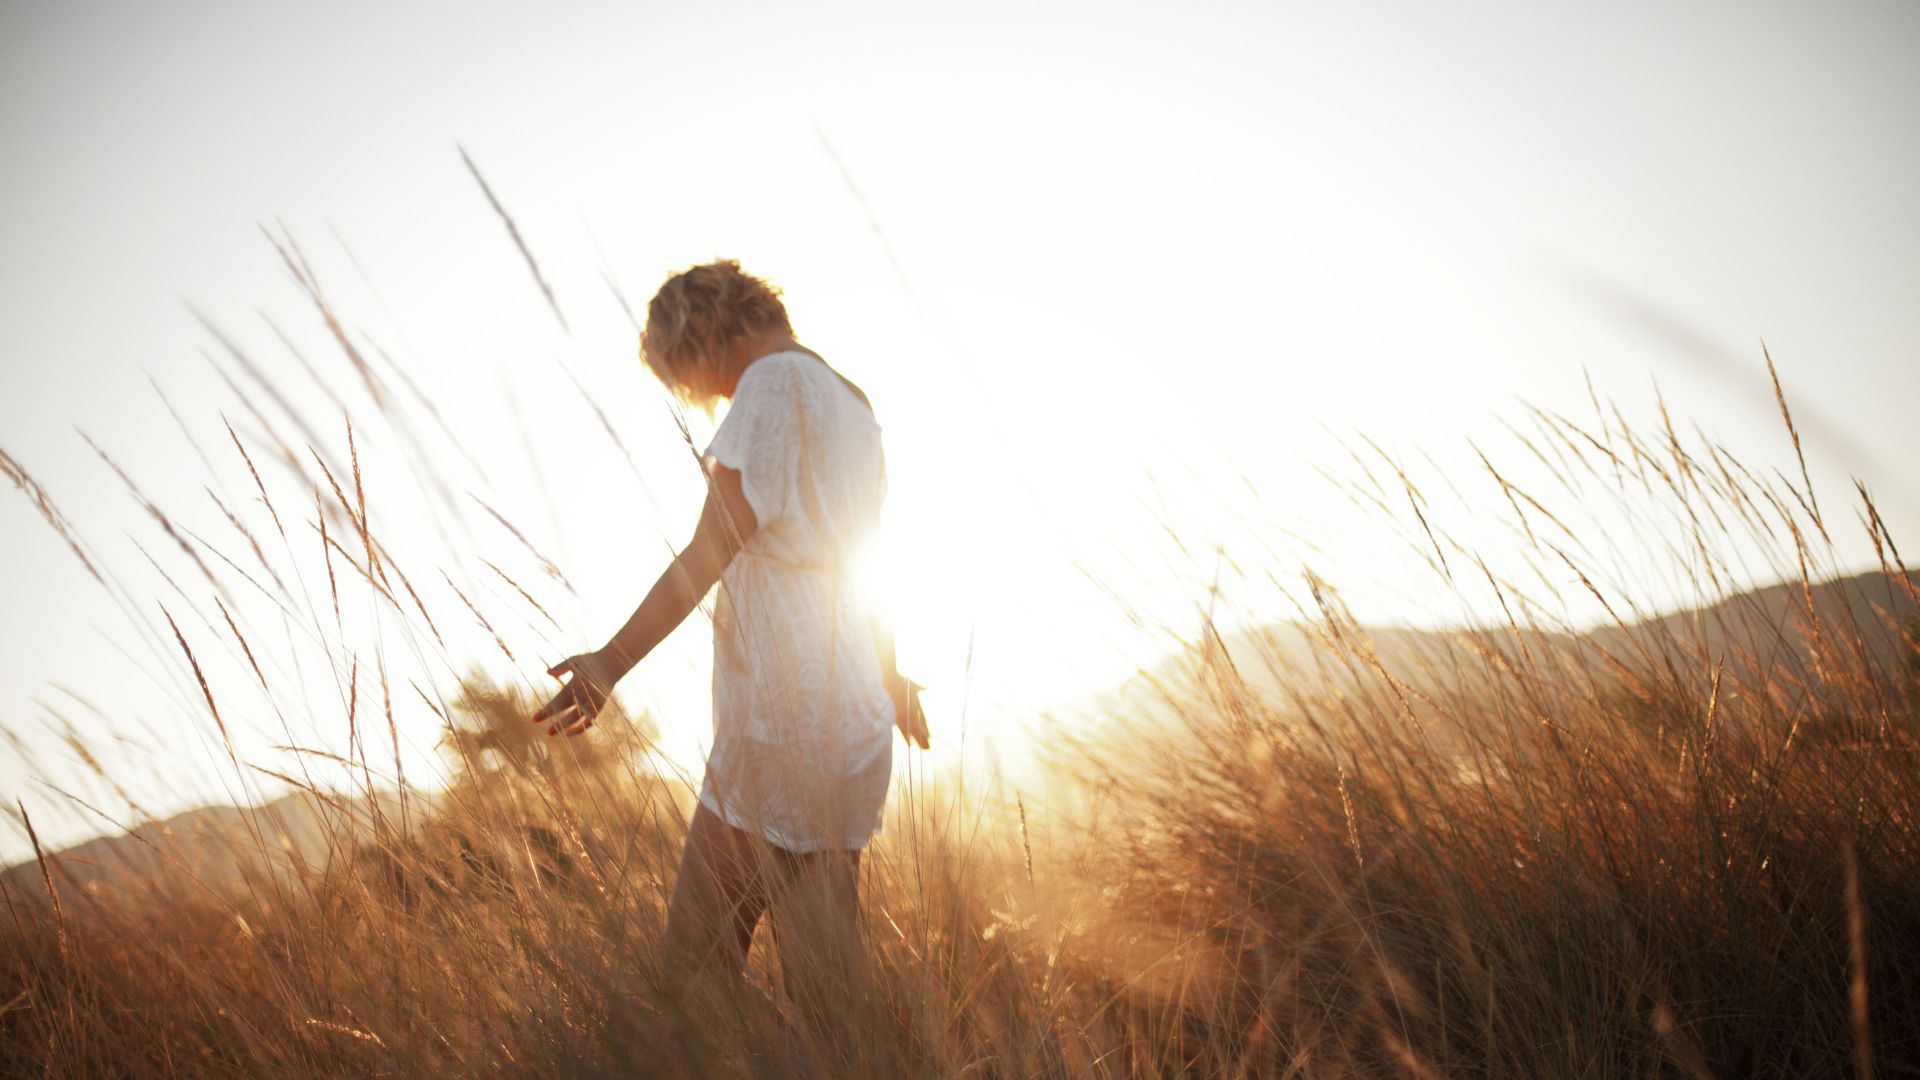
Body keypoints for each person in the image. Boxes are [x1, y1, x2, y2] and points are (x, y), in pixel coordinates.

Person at [532, 260, 927, 1017]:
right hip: (852, 721)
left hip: (782, 719)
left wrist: (608, 665)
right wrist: (890, 677)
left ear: (703, 331)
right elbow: (861, 559)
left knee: (691, 970)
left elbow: (712, 548)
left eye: (686, 370)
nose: (703, 392)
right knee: (828, 1003)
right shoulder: (853, 400)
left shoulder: (770, 388)